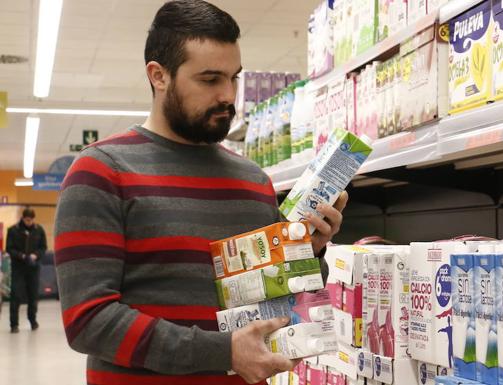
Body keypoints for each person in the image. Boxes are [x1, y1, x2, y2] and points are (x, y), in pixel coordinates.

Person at [54, 2, 347, 385]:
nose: (229, 95)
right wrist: (223, 352)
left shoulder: (253, 181)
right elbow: (89, 320)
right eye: (210, 79)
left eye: (234, 78)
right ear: (159, 76)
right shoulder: (102, 171)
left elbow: (281, 304)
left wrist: (309, 254)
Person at [7, 207, 47, 333]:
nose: (29, 222)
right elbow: (9, 248)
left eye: (31, 220)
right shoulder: (13, 230)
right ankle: (14, 324)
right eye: (27, 220)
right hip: (18, 267)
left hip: (33, 268)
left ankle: (33, 321)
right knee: (16, 295)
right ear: (23, 218)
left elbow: (43, 247)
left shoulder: (39, 230)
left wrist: (35, 255)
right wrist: (21, 256)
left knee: (33, 295)